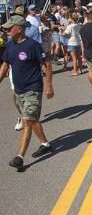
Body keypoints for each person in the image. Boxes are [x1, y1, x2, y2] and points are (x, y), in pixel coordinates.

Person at [0, 15, 54, 170]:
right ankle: (45, 143)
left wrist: (49, 85)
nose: (7, 30)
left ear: (20, 28)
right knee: (32, 119)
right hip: (19, 91)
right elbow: (5, 65)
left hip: (33, 89)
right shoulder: (10, 46)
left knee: (28, 121)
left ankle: (20, 156)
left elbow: (47, 64)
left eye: (10, 28)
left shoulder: (33, 46)